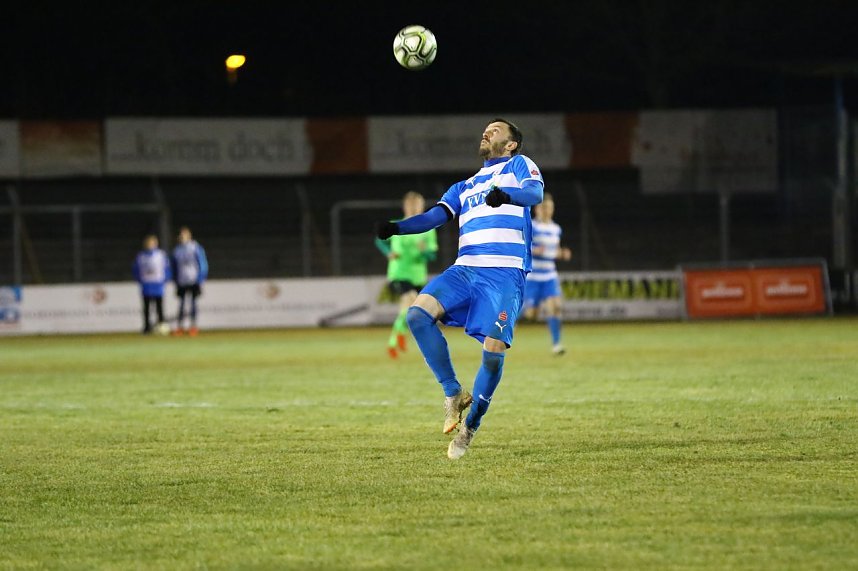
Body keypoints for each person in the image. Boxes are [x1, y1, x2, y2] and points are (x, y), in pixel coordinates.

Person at [376, 118, 544, 460]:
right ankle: (453, 392)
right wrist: (397, 227)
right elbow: (435, 217)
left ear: (511, 143)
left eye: (496, 130)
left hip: (504, 273)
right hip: (466, 269)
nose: (487, 132)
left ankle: (470, 428)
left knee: (494, 355)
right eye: (486, 129)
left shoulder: (519, 165)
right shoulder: (464, 186)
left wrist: (506, 195)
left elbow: (535, 193)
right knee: (418, 314)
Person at [375, 191, 438, 359]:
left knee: (411, 310)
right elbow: (379, 239)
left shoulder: (428, 229)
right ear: (405, 206)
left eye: (417, 205)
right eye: (411, 205)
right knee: (409, 303)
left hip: (418, 275)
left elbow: (432, 255)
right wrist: (388, 252)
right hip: (399, 273)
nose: (414, 208)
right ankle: (393, 342)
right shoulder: (396, 225)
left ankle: (399, 335)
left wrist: (424, 253)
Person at [523, 193, 572, 355]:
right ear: (537, 209)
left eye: (549, 208)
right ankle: (511, 319)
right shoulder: (531, 226)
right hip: (533, 277)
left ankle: (557, 344)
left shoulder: (556, 229)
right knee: (531, 314)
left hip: (549, 275)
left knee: (556, 307)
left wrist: (562, 253)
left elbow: (553, 251)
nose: (547, 211)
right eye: (544, 207)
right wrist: (533, 250)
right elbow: (522, 247)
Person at [171, 226, 208, 336]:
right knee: (181, 304)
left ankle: (193, 326)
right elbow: (174, 266)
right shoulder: (177, 250)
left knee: (193, 303)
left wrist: (201, 277)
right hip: (181, 281)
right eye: (180, 235)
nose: (182, 237)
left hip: (193, 279)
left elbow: (203, 263)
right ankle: (180, 327)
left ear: (189, 235)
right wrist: (175, 278)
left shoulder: (196, 248)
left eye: (184, 235)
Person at [132, 234, 171, 334]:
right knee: (146, 308)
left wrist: (165, 279)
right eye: (149, 243)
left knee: (159, 306)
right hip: (146, 285)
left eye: (152, 243)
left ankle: (162, 325)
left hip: (158, 284)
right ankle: (147, 327)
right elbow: (136, 269)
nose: (150, 245)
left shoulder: (160, 255)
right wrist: (139, 279)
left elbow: (166, 268)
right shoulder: (141, 256)